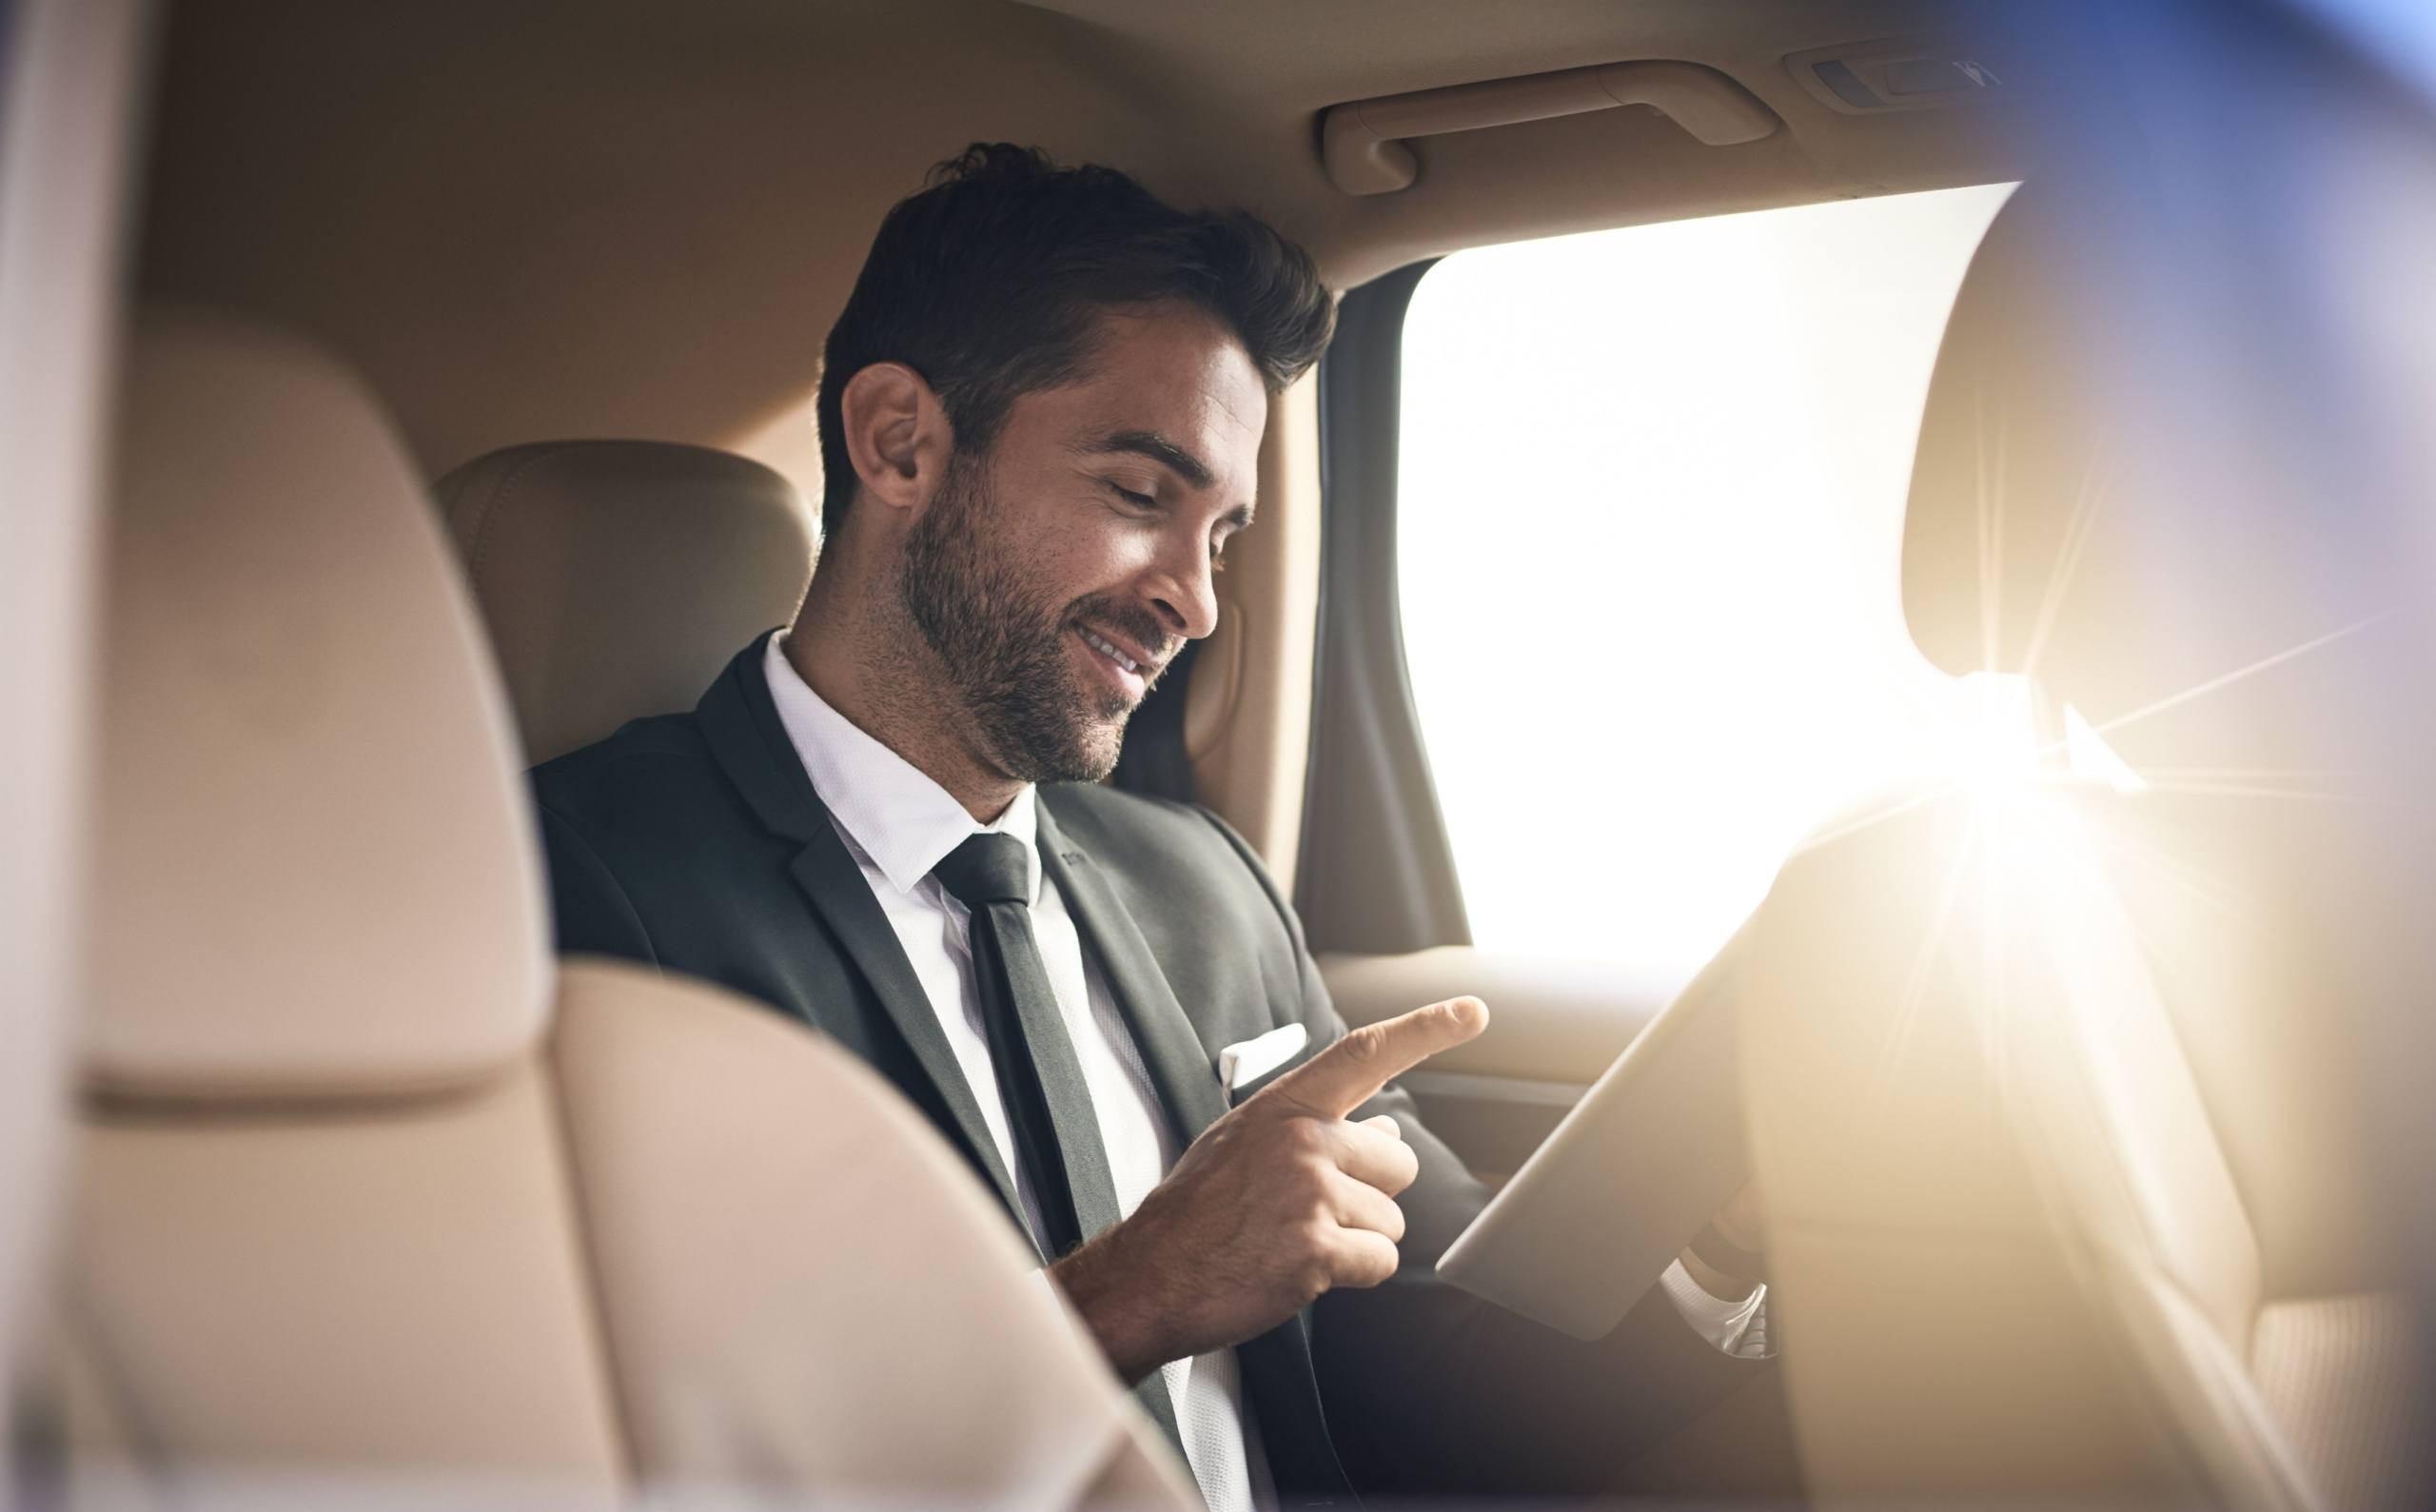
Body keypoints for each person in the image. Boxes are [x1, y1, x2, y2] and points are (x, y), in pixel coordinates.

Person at [532, 143, 1774, 1508]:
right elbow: (633, 1463)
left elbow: (1455, 1396)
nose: (1194, 599)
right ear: (900, 443)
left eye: (1224, 535)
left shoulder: (1207, 891)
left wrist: (1733, 1221)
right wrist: (1126, 1297)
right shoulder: (567, 898)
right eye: (1140, 495)